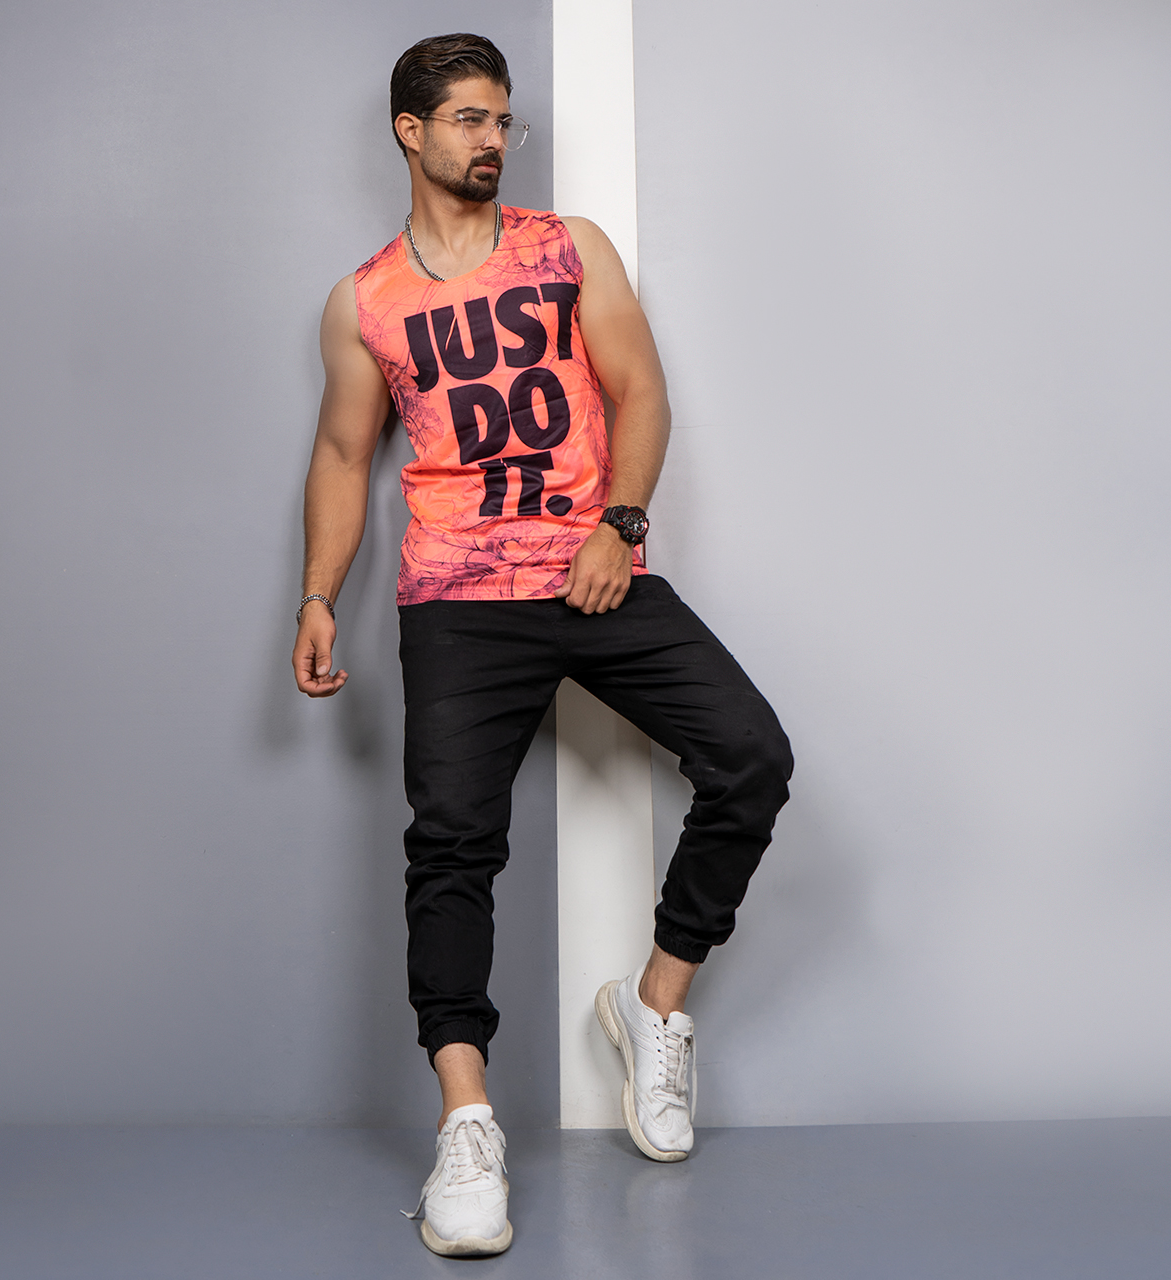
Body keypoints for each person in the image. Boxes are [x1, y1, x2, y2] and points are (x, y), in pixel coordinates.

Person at [292, 32, 793, 1258]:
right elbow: (345, 454)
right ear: (410, 131)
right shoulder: (364, 300)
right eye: (467, 119)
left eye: (501, 119)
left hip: (589, 566)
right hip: (454, 598)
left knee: (749, 755)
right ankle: (466, 1123)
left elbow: (641, 390)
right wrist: (317, 593)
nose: (492, 140)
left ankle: (653, 1003)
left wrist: (620, 524)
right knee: (451, 846)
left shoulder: (567, 249)